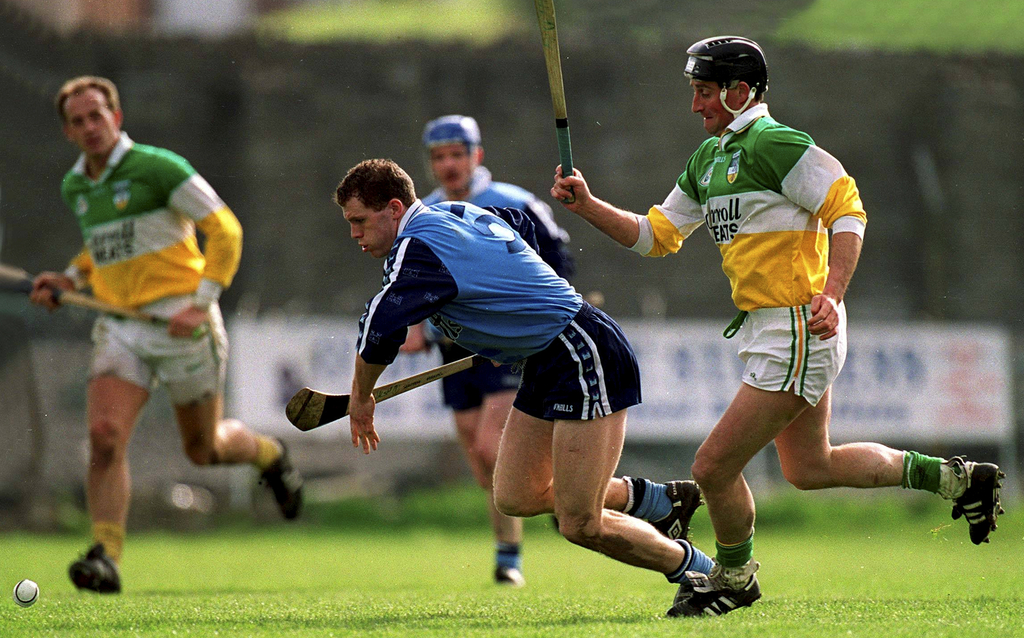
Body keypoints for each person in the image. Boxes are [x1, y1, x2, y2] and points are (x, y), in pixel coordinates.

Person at [551, 36, 1005, 617]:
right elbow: (655, 236)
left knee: (712, 467)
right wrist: (588, 204)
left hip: (798, 327)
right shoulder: (708, 158)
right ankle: (959, 480)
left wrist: (833, 294)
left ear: (741, 91)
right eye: (695, 91)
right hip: (769, 330)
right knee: (810, 467)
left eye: (705, 92)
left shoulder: (775, 143)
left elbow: (847, 207)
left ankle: (734, 578)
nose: (696, 105)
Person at [335, 158, 713, 605]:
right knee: (515, 496)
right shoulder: (453, 212)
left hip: (579, 350)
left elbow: (380, 327)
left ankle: (704, 573)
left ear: (394, 208)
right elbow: (518, 225)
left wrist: (361, 397)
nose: (354, 234)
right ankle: (655, 501)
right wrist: (505, 317)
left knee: (580, 523)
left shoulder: (417, 245)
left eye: (359, 221)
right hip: (546, 359)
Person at [30, 76, 304, 594]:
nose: (90, 127)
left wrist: (201, 303)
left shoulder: (159, 168)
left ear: (116, 117)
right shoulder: (76, 186)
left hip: (183, 320)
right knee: (104, 437)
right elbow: (105, 247)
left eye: (97, 115)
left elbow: (225, 229)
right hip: (121, 325)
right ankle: (106, 554)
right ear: (68, 132)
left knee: (204, 449)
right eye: (78, 121)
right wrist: (70, 277)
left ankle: (270, 455)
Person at [401, 115, 577, 586]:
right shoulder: (424, 213)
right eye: (439, 157)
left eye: (457, 154)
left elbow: (558, 265)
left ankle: (531, 537)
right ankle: (518, 540)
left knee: (489, 443)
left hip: (507, 347)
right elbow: (412, 279)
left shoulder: (514, 202)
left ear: (476, 155)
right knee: (483, 467)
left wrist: (521, 324)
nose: (449, 165)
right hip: (454, 350)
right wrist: (415, 326)